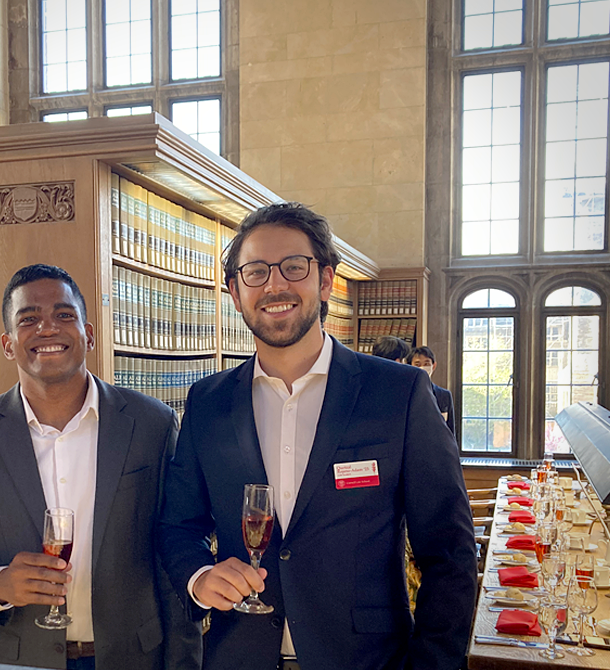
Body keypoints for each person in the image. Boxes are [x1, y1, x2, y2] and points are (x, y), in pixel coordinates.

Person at [158, 203, 477, 670]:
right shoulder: (208, 403)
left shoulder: (399, 394)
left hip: (368, 660)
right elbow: (178, 525)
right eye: (255, 272)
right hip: (238, 657)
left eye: (293, 267)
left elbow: (449, 551)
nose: (274, 285)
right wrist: (199, 575)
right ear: (234, 291)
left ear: (325, 280)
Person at [0, 264, 201, 669]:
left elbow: (173, 549)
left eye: (63, 315)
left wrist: (185, 660)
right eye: (28, 319)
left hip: (133, 657)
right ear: (8, 344)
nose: (47, 329)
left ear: (88, 334)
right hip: (17, 658)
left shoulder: (152, 424)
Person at [408, 346, 456, 439]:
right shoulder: (406, 394)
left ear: (433, 366)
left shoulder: (444, 395)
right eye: (417, 364)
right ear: (410, 366)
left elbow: (450, 430)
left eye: (426, 363)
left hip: (438, 447)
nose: (422, 367)